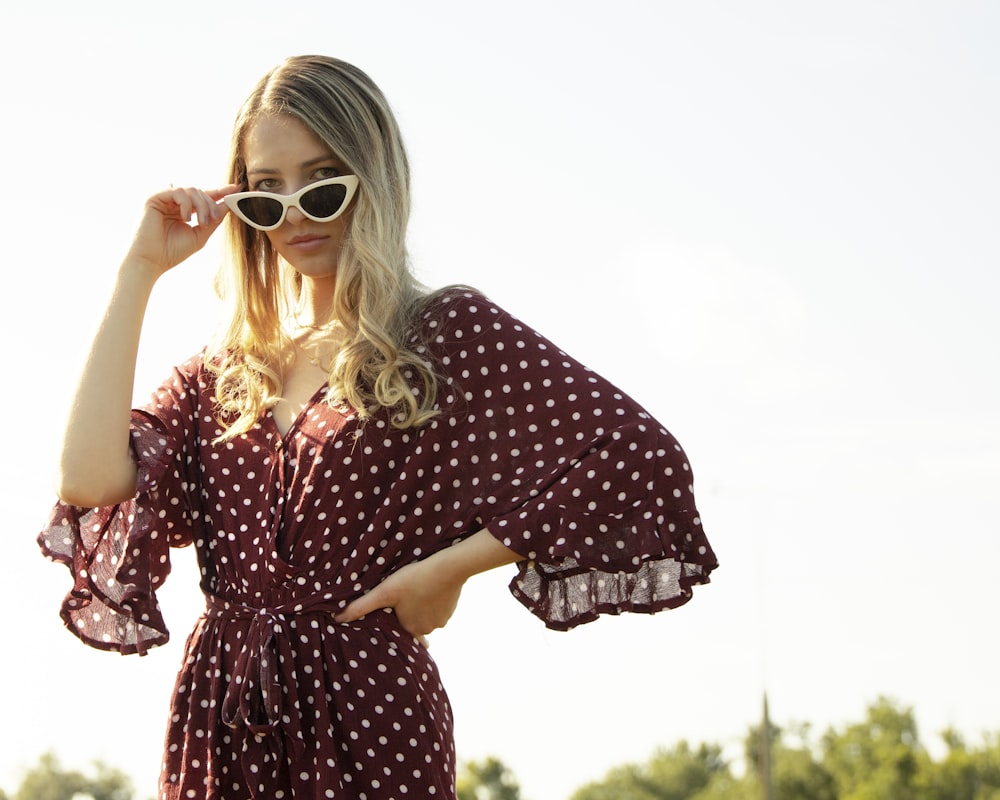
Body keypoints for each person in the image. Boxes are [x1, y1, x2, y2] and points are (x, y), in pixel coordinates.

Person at [38, 55, 718, 800]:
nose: (295, 212)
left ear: (374, 179)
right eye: (266, 194)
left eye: (322, 182)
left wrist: (449, 566)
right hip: (220, 715)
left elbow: (634, 455)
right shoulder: (225, 371)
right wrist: (138, 269)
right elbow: (87, 478)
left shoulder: (441, 333)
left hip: (368, 714)